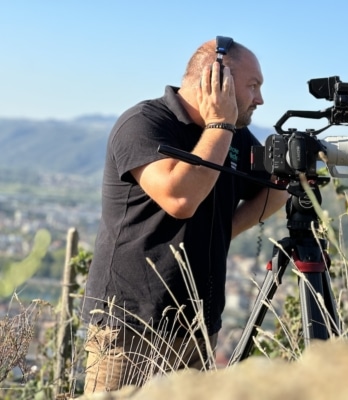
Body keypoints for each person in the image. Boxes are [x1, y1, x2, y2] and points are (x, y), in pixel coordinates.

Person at [81, 36, 288, 393]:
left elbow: (275, 188)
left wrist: (227, 228)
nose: (260, 99)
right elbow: (180, 198)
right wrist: (219, 125)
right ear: (215, 80)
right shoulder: (144, 123)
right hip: (132, 326)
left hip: (198, 328)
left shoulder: (235, 137)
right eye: (253, 86)